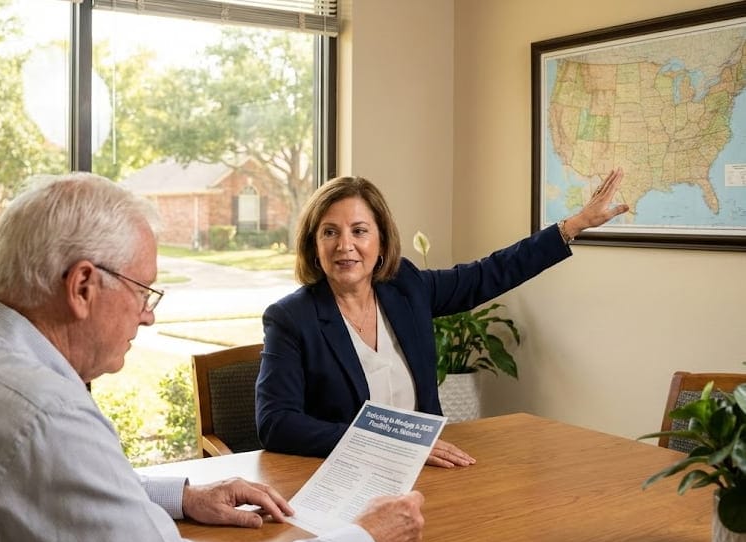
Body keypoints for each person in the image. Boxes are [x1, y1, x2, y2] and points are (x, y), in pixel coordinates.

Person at [0, 173, 425, 542]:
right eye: (144, 292)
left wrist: (182, 496)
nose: (148, 316)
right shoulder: (41, 415)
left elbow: (40, 487)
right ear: (82, 287)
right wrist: (363, 541)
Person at [256, 169, 628, 467]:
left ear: (381, 242)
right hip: (346, 473)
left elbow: (486, 274)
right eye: (330, 232)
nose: (345, 245)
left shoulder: (405, 286)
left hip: (426, 469)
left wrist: (571, 227)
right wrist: (384, 443)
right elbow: (277, 424)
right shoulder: (290, 318)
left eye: (359, 231)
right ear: (313, 245)